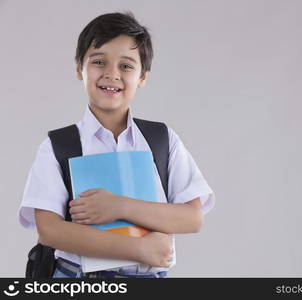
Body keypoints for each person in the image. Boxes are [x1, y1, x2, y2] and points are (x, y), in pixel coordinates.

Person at [18, 11, 215, 278]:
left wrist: (119, 207)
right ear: (80, 69)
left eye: (126, 66)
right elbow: (49, 229)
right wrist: (138, 249)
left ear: (143, 77)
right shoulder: (59, 145)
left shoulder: (161, 139)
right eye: (99, 62)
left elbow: (192, 218)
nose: (112, 74)